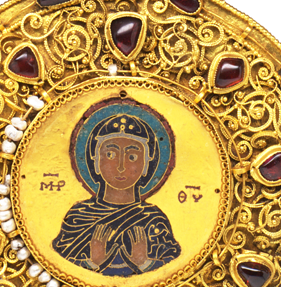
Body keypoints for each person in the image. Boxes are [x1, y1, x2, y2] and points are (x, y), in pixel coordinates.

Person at [51, 99, 184, 276]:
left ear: (146, 165)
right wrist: (92, 262)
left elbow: (176, 268)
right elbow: (56, 263)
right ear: (95, 161)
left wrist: (144, 263)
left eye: (132, 157)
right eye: (110, 154)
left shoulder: (153, 221)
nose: (121, 166)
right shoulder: (78, 218)